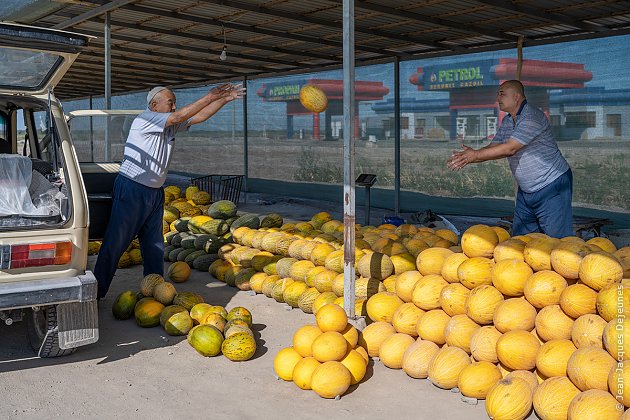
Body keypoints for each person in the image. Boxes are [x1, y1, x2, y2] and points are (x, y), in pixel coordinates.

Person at [94, 83, 245, 298]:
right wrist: (210, 96)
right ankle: (97, 292)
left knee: (154, 245)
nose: (175, 107)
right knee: (116, 242)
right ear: (154, 105)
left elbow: (198, 117)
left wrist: (223, 100)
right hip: (133, 188)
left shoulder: (168, 124)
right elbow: (178, 117)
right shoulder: (145, 119)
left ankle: (156, 289)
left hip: (154, 192)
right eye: (170, 102)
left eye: (175, 103)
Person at [446, 80, 573, 238]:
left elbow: (510, 148)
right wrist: (470, 157)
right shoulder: (508, 121)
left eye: (502, 94)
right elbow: (494, 148)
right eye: (497, 94)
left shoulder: (531, 117)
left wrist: (476, 155)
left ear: (516, 97)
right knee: (521, 240)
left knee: (557, 241)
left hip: (551, 184)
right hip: (527, 190)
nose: (498, 98)